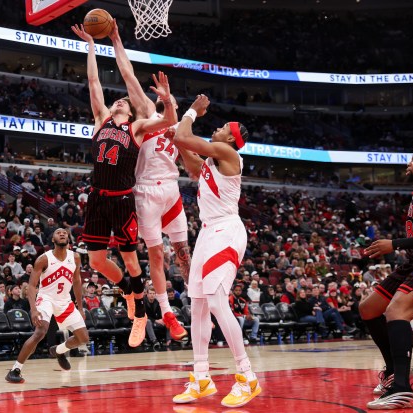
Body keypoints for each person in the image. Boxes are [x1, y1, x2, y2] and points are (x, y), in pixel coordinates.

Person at [71, 24, 177, 348]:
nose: (118, 101)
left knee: (132, 263)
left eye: (123, 101)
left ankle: (141, 316)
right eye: (116, 100)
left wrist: (167, 100)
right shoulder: (100, 119)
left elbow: (169, 119)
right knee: (97, 262)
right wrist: (91, 45)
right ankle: (129, 292)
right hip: (97, 199)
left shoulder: (138, 128)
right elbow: (93, 81)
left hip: (122, 200)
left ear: (130, 110)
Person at [171, 95, 261, 407]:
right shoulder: (212, 162)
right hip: (208, 233)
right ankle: (201, 378)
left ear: (231, 139)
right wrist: (173, 126)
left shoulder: (227, 152)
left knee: (216, 299)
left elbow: (184, 136)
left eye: (223, 127)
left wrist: (191, 112)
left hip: (226, 231)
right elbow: (189, 157)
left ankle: (247, 376)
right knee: (196, 304)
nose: (218, 129)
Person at [108, 20, 189, 342]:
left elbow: (191, 162)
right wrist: (116, 40)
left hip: (172, 191)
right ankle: (167, 313)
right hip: (146, 193)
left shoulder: (180, 130)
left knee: (183, 253)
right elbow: (128, 76)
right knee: (158, 255)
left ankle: (199, 301)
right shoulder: (147, 115)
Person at [360, 148, 413, 410]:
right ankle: (395, 372)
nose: (409, 163)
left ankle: (402, 389)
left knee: (397, 311)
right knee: (368, 309)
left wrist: (395, 243)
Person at [6, 229, 88, 383]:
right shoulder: (44, 259)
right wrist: (33, 309)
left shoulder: (75, 257)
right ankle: (15, 370)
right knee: (40, 332)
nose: (62, 234)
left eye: (64, 232)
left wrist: (80, 307)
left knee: (83, 338)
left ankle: (58, 350)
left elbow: (77, 282)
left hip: (65, 301)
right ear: (53, 240)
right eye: (58, 233)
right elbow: (31, 286)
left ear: (69, 238)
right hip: (46, 299)